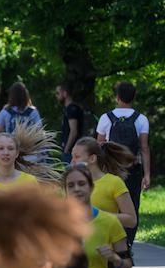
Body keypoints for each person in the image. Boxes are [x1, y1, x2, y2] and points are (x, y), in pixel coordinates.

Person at [62, 164, 130, 268]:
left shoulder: (110, 222)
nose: (76, 189)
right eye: (71, 185)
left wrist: (115, 258)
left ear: (91, 187)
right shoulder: (57, 224)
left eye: (81, 183)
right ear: (65, 191)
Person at [96, 80, 151, 243]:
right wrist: (147, 174)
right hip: (133, 170)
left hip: (111, 169)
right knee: (132, 206)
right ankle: (127, 244)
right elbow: (144, 148)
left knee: (111, 204)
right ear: (133, 97)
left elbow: (99, 145)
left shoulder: (106, 118)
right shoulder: (141, 119)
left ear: (117, 97)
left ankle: (111, 239)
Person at [70, 137, 137, 230]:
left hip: (106, 242)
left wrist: (98, 215)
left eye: (77, 157)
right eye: (72, 156)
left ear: (92, 158)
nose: (72, 161)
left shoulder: (114, 182)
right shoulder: (72, 184)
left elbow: (132, 220)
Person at [55, 82, 85, 160]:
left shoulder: (71, 109)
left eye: (58, 93)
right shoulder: (71, 108)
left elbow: (73, 131)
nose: (56, 96)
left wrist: (66, 149)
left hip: (72, 151)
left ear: (65, 93)